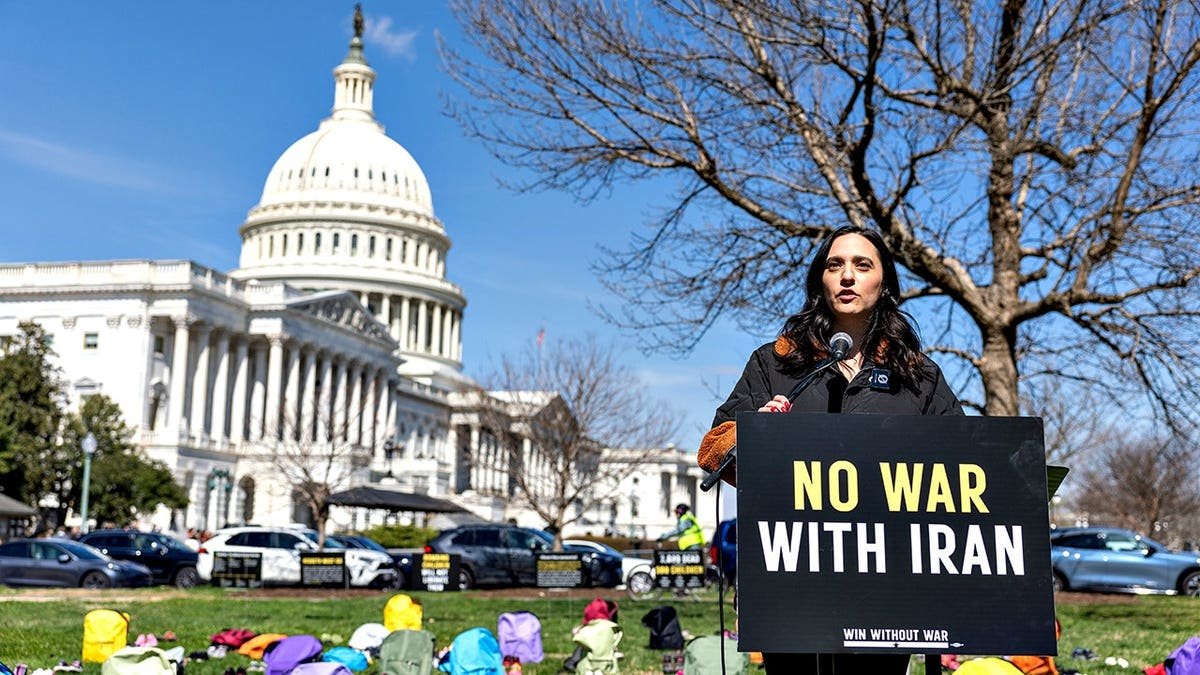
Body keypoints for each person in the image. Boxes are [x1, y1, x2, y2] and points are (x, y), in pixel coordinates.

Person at [697, 225, 963, 675]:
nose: (846, 276)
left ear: (885, 284)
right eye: (834, 265)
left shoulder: (918, 375)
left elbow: (961, 464)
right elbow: (714, 450)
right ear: (819, 280)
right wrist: (754, 433)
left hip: (886, 586)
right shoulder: (776, 362)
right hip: (791, 582)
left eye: (862, 265)